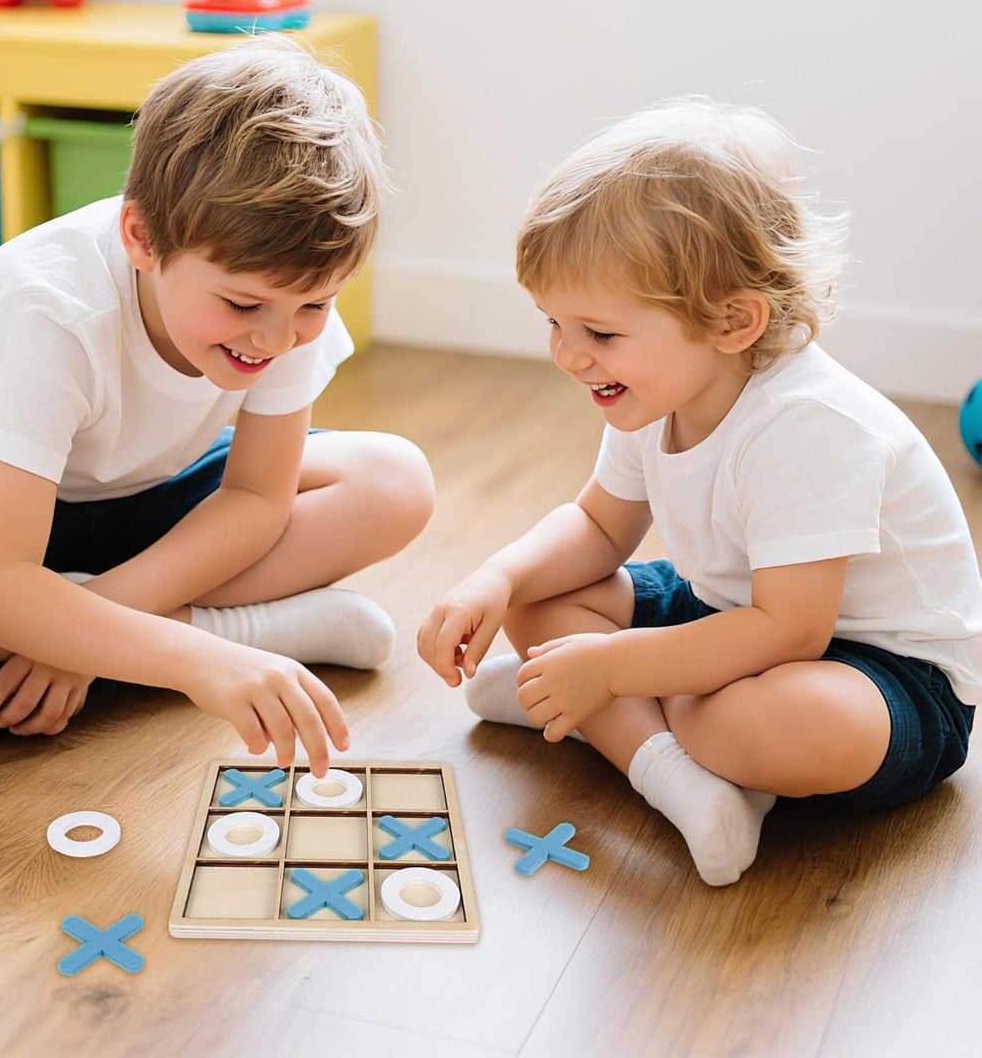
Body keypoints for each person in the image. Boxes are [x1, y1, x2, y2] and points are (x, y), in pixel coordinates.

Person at [0, 37, 435, 775]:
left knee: (397, 480)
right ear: (142, 237)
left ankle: (59, 631)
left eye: (314, 304)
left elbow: (256, 496)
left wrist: (81, 625)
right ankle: (238, 635)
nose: (278, 337)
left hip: (149, 494)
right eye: (242, 303)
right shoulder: (55, 306)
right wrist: (193, 661)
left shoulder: (285, 305)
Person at [418, 97, 980, 885]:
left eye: (601, 333)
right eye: (554, 323)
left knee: (787, 722)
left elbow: (791, 633)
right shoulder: (650, 390)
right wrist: (497, 578)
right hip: (730, 615)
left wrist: (613, 672)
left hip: (883, 673)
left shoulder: (809, 425)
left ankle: (607, 719)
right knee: (539, 601)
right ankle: (675, 772)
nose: (568, 356)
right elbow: (596, 526)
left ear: (733, 321)